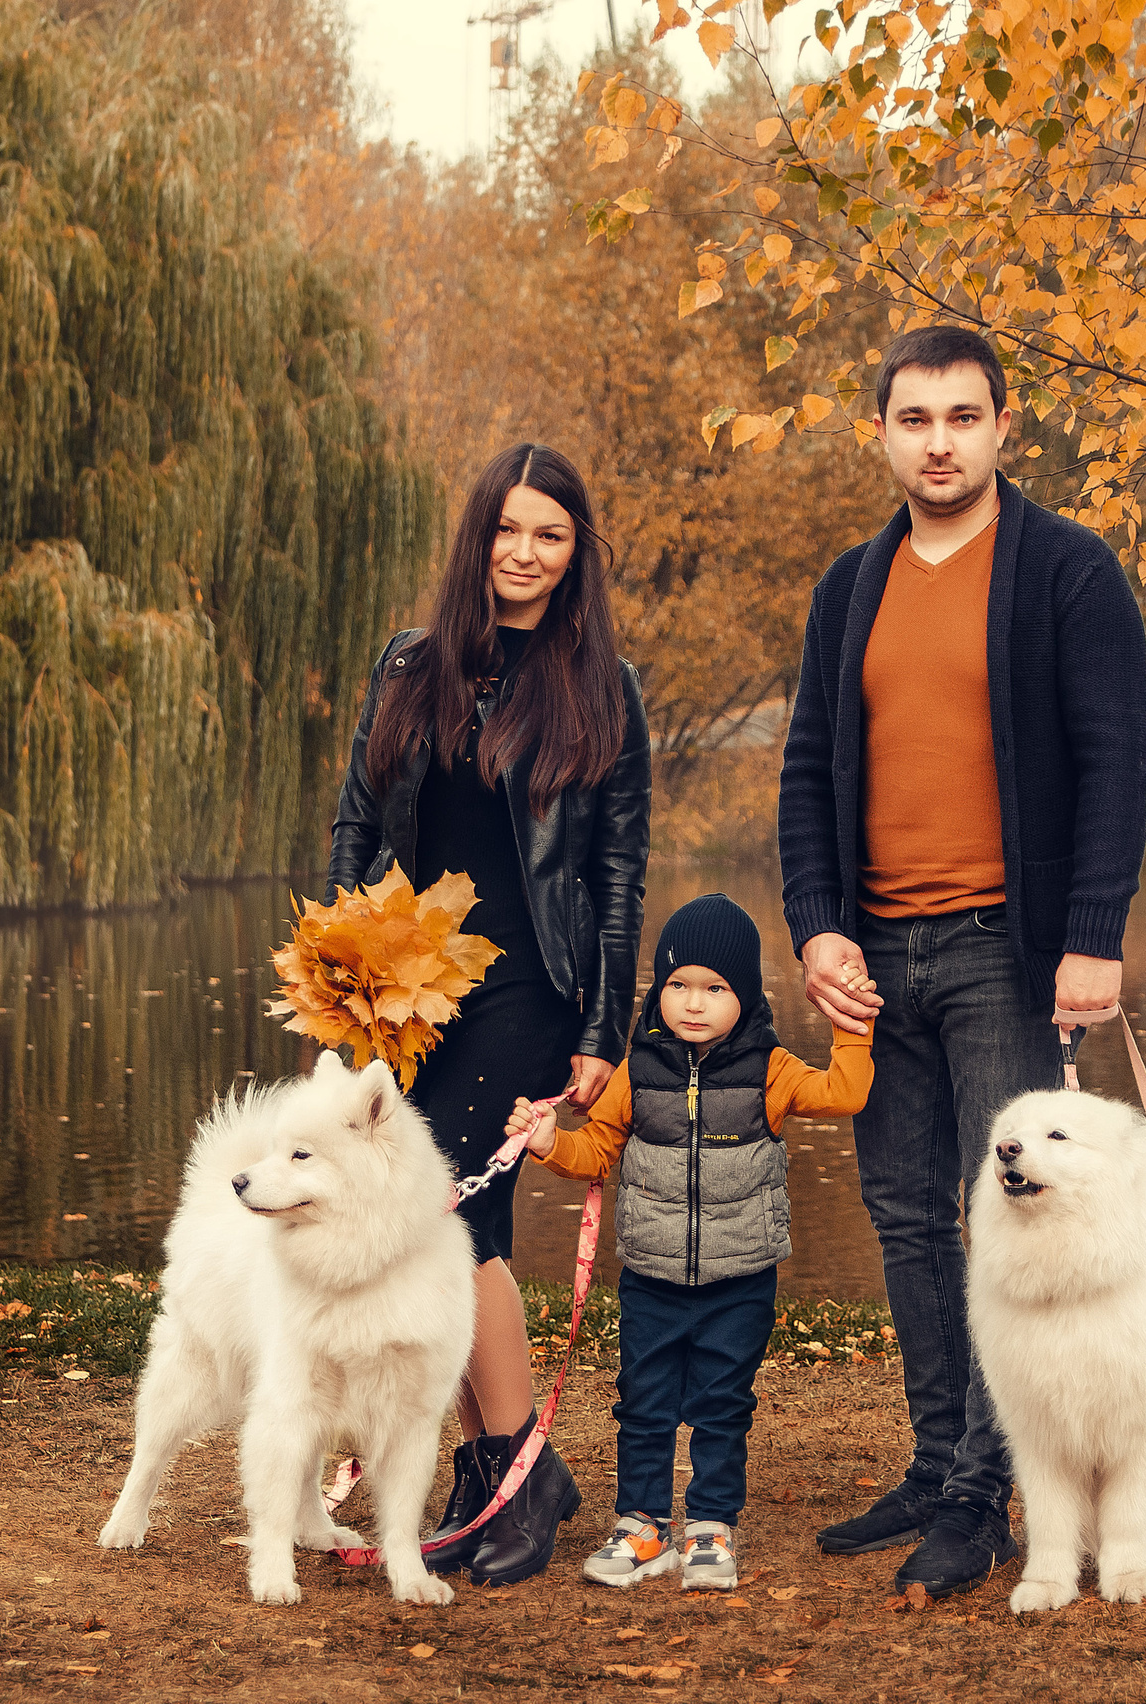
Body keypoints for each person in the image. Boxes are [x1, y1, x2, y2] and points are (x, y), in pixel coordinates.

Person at [778, 324, 1146, 1597]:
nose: (937, 440)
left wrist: (1093, 937)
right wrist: (819, 924)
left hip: (1006, 948)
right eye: (912, 418)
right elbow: (808, 773)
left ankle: (988, 1494)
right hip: (875, 959)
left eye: (960, 416)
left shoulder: (1065, 573)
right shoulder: (848, 587)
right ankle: (940, 1461)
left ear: (1003, 427)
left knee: (1006, 1215)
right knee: (903, 1218)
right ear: (879, 432)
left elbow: (1115, 766)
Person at [329, 441, 652, 1588]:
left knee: (454, 1216)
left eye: (550, 535)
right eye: (509, 530)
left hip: (532, 987)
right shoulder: (409, 665)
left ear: (576, 554)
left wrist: (603, 1033)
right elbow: (358, 827)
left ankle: (521, 1469)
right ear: (480, 537)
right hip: (414, 992)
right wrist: (341, 975)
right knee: (429, 1234)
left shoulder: (600, 686)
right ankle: (484, 1468)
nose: (525, 553)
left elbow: (618, 874)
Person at [502, 893, 873, 1590]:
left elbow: (847, 1092)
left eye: (715, 988)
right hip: (651, 1276)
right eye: (678, 985)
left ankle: (708, 1528)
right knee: (642, 1401)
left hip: (741, 1280)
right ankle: (643, 1527)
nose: (693, 1003)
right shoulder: (636, 1072)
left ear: (747, 997)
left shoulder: (772, 1068)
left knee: (721, 1403)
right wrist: (551, 1143)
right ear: (657, 990)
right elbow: (597, 1155)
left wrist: (851, 1024)